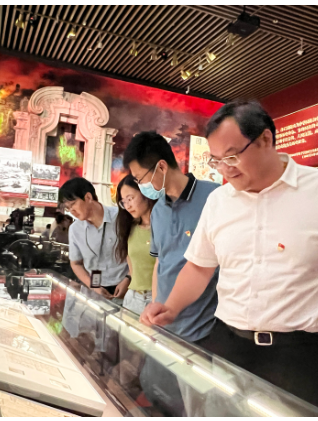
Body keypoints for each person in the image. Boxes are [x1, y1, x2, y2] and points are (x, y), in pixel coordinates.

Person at [140, 100, 318, 413]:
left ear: (266, 139)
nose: (225, 169)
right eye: (217, 160)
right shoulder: (219, 201)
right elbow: (199, 267)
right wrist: (171, 307)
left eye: (232, 156)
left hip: (301, 356)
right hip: (229, 345)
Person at [124, 131, 220, 417]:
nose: (141, 187)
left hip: (201, 329)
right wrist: (155, 304)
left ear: (162, 167)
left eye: (140, 179)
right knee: (164, 399)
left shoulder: (214, 198)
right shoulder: (159, 212)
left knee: (200, 408)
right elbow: (160, 263)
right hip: (165, 327)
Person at [60, 177, 130, 300]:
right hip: (94, 293)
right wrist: (93, 286)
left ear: (88, 197)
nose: (71, 211)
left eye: (72, 204)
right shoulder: (75, 229)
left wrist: (128, 279)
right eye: (68, 208)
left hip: (126, 289)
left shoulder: (121, 218)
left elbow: (138, 255)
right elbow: (76, 263)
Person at [114, 175, 156, 315]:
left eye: (130, 198)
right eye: (123, 202)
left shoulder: (164, 227)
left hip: (157, 299)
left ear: (146, 193)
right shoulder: (129, 228)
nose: (127, 206)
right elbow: (133, 268)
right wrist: (127, 280)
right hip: (133, 298)